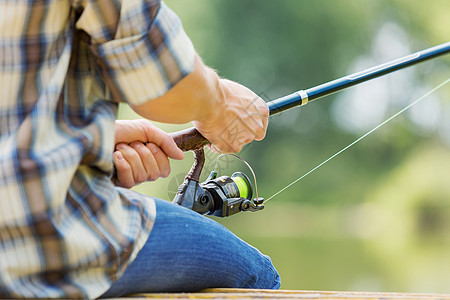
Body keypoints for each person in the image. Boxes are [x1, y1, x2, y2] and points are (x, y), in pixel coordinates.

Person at [0, 0, 280, 298]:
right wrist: (220, 103)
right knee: (259, 275)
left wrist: (98, 143)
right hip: (42, 237)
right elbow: (162, 78)